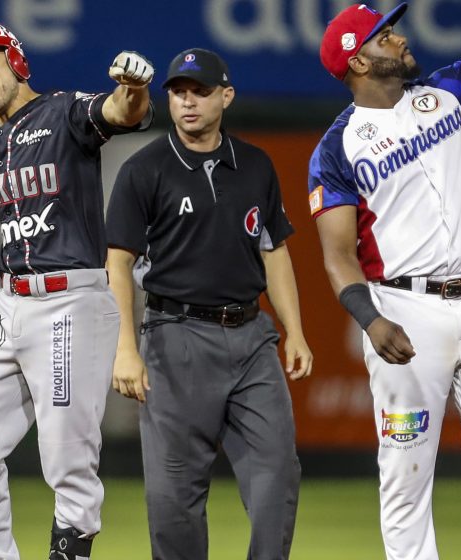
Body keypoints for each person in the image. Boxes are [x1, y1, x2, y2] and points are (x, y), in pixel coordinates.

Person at [308, 2, 461, 559]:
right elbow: (338, 256)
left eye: (392, 30)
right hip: (405, 311)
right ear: (358, 62)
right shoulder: (336, 150)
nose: (397, 39)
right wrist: (370, 319)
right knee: (406, 472)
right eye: (383, 36)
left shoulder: (450, 91)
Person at [0, 21, 154, 560]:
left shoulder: (62, 111)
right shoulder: (5, 137)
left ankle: (70, 551)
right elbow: (27, 166)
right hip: (10, 306)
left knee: (65, 458)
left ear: (16, 59)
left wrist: (135, 89)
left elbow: (121, 115)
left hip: (69, 303)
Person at [105, 48, 312, 560]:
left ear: (226, 95)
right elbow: (117, 265)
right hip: (175, 337)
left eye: (200, 91)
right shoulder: (144, 169)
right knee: (173, 502)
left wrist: (296, 330)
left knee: (277, 478)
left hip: (251, 339)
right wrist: (123, 348)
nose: (188, 102)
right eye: (178, 92)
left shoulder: (256, 166)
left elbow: (275, 252)